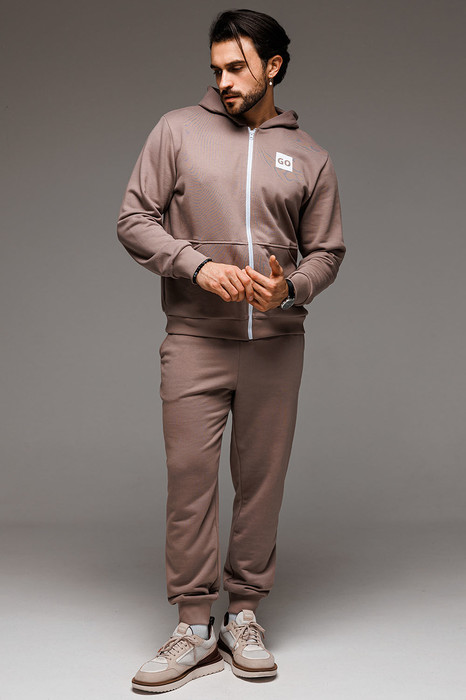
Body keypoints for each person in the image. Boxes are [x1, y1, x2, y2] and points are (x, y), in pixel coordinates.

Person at [116, 8, 346, 693]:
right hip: (194, 339)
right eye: (216, 68)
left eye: (237, 68)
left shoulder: (310, 156)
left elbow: (327, 251)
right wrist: (196, 266)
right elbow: (134, 218)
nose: (223, 81)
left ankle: (243, 615)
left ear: (273, 67)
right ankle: (194, 628)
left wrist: (290, 288)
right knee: (190, 482)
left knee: (261, 484)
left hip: (276, 345)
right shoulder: (176, 130)